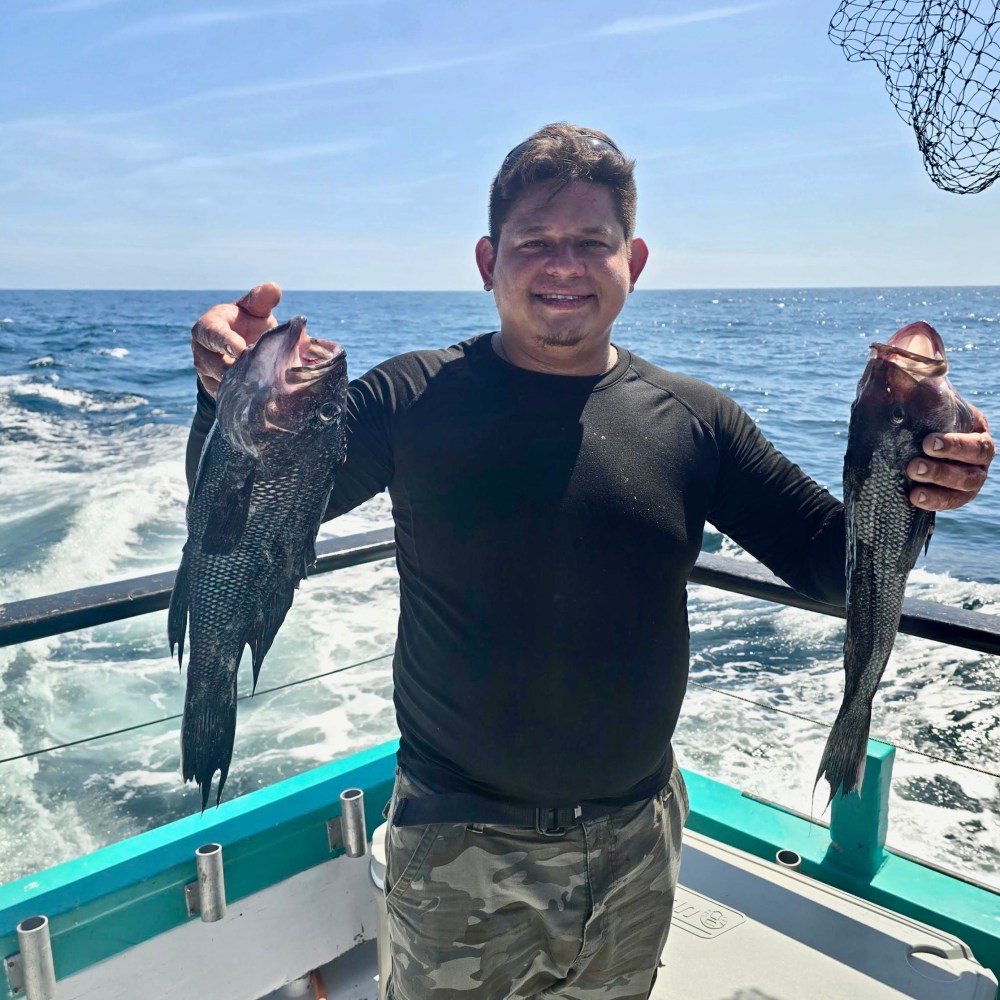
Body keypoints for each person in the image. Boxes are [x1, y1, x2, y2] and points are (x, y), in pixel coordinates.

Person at [186, 123, 994, 999]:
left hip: (637, 842)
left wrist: (919, 480)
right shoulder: (408, 397)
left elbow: (830, 564)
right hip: (456, 843)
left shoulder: (695, 420)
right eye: (534, 243)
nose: (562, 264)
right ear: (488, 260)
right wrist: (230, 402)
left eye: (590, 243)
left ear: (633, 260)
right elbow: (251, 519)